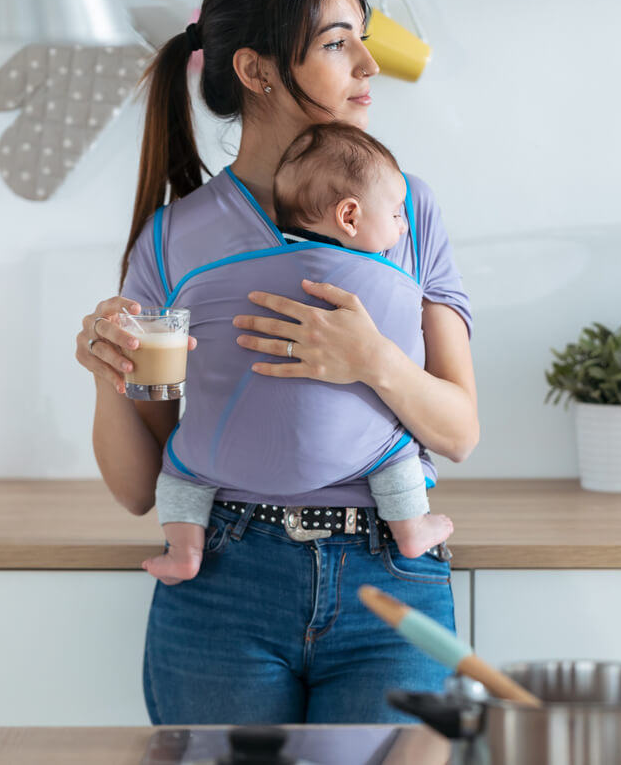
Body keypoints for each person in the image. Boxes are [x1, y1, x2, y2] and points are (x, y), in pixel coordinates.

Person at [74, 0, 478, 725]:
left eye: (362, 35)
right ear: (258, 72)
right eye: (336, 42)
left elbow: (459, 432)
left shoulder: (405, 209)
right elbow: (136, 488)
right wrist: (103, 376)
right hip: (222, 583)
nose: (368, 62)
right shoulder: (170, 241)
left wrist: (375, 361)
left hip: (389, 572)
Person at [143, 122, 455, 585]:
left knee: (180, 469)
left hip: (218, 482)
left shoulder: (197, 258)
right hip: (364, 497)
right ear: (349, 217)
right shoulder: (384, 284)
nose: (402, 224)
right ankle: (410, 527)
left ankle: (183, 549)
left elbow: (460, 436)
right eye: (394, 216)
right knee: (396, 454)